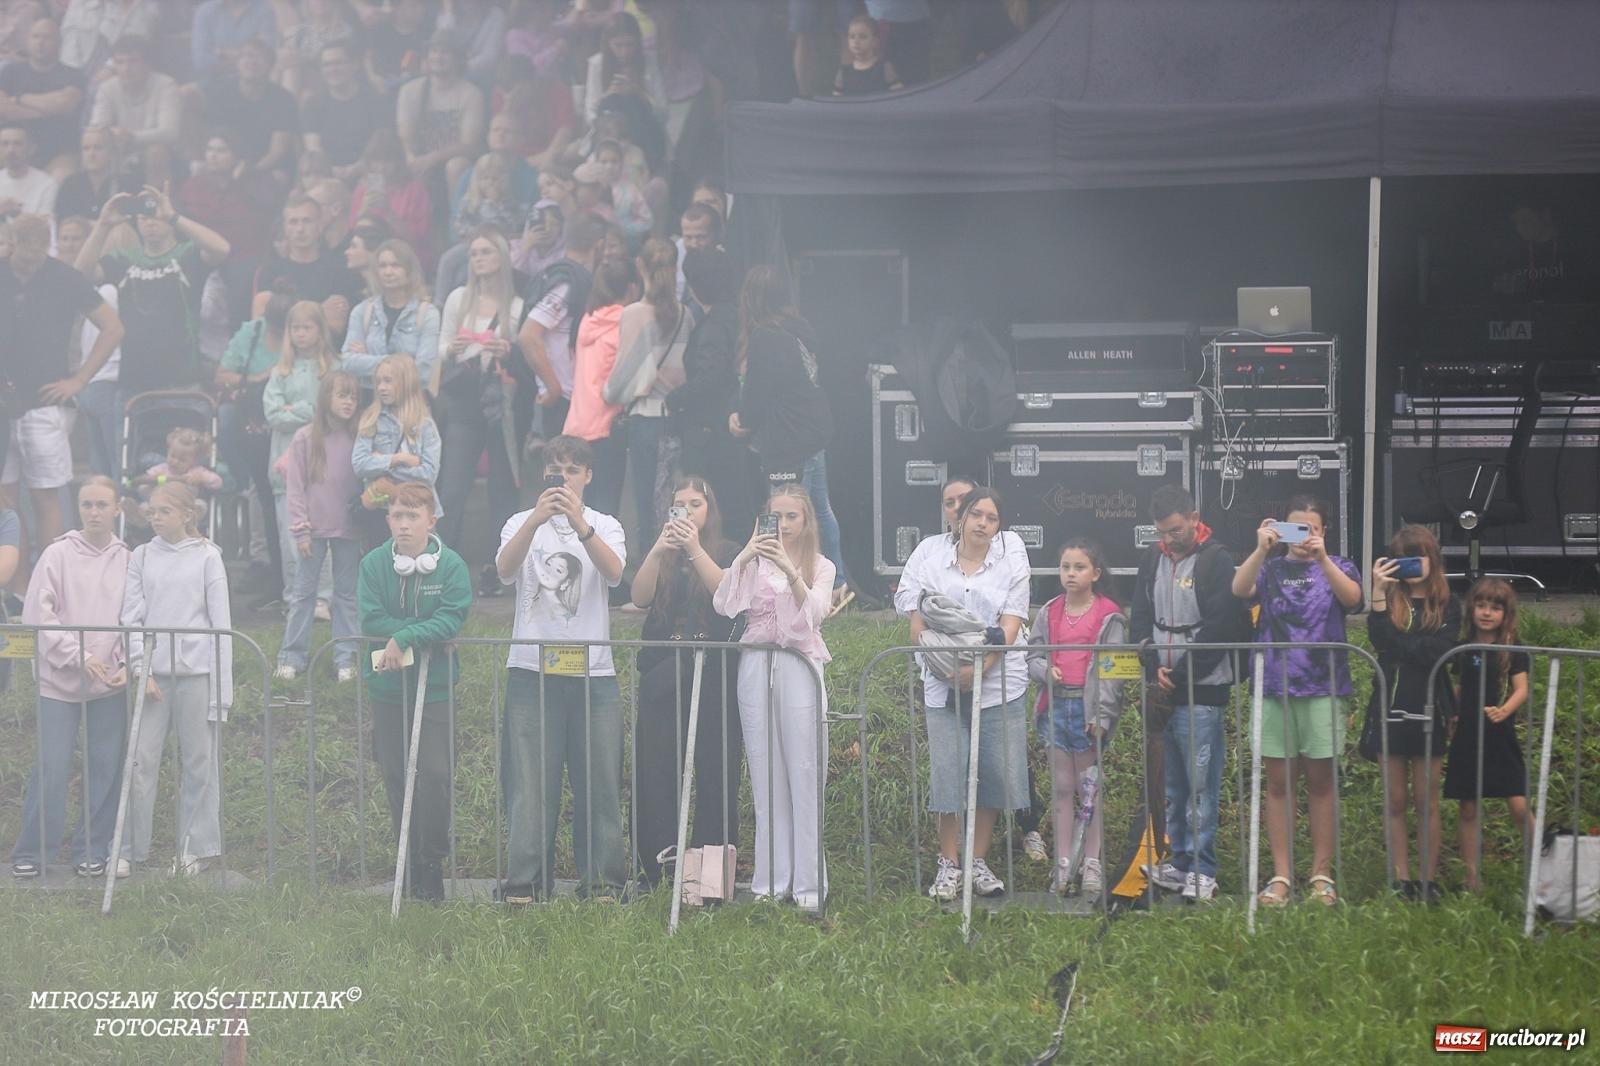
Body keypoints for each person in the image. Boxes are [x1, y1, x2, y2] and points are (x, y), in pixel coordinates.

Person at [495, 434, 627, 903]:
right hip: (531, 670)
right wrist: (537, 518)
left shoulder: (606, 523)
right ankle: (525, 884)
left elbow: (614, 574)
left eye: (573, 469)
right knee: (530, 784)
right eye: (555, 469)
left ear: (588, 476)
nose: (563, 478)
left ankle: (605, 884)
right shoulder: (519, 522)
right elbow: (504, 570)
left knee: (600, 784)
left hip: (595, 673)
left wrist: (578, 524)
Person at [894, 487, 1029, 901]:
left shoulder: (1012, 557)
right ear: (960, 519)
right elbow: (918, 625)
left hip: (999, 685)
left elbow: (1011, 622)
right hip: (942, 685)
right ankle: (949, 864)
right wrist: (951, 672)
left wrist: (980, 669)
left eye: (991, 517)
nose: (982, 523)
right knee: (948, 776)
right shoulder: (933, 562)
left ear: (998, 525)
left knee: (994, 773)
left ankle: (977, 861)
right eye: (975, 515)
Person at [1230, 497, 1363, 907]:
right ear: (1280, 528)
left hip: (1324, 686)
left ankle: (1321, 874)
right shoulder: (1269, 568)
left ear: (1324, 532)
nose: (1304, 537)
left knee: (1322, 783)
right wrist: (1260, 547)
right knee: (1277, 784)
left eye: (1312, 529)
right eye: (1295, 529)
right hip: (1273, 685)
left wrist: (1322, 560)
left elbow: (1354, 600)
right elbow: (1239, 589)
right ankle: (1281, 875)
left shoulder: (1339, 566)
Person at [713, 484, 833, 911]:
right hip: (756, 663)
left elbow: (817, 613)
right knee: (764, 773)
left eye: (791, 517)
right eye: (774, 516)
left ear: (805, 522)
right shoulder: (753, 563)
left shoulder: (821, 565)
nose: (781, 526)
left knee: (803, 768)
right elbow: (724, 603)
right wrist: (747, 554)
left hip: (799, 664)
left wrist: (789, 568)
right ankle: (770, 881)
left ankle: (808, 885)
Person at [358, 482, 472, 903]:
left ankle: (431, 861)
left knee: (436, 776)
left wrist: (404, 634)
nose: (403, 525)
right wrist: (407, 637)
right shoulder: (373, 564)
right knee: (395, 774)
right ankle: (406, 858)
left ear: (431, 520)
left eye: (412, 516)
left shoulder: (452, 566)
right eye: (396, 516)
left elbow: (451, 617)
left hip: (437, 687)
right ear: (387, 519)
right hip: (387, 687)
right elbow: (370, 617)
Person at [628, 475, 742, 889]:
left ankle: (710, 880)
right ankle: (657, 871)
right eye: (680, 504)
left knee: (715, 772)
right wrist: (660, 549)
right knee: (657, 772)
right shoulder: (664, 554)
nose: (688, 511)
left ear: (710, 509)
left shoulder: (727, 550)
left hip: (713, 670)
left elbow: (726, 595)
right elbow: (639, 597)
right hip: (663, 666)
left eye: (696, 503)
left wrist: (694, 549)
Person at [1129, 484, 1239, 903]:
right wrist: (1150, 658)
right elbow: (1140, 614)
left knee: (1200, 783)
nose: (1169, 539)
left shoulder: (1217, 559)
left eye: (1175, 530)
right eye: (1162, 532)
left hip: (1204, 690)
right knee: (1172, 781)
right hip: (1163, 684)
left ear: (1194, 518)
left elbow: (1222, 623)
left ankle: (1204, 867)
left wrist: (1185, 673)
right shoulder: (1152, 559)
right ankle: (1178, 861)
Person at [118, 480, 232, 877]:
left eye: (164, 511)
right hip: (154, 675)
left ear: (187, 514)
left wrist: (221, 692)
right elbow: (130, 616)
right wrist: (140, 668)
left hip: (197, 673)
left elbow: (221, 626)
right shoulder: (142, 556)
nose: (155, 518)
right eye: (151, 512)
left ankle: (194, 849)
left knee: (199, 761)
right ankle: (131, 847)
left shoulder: (207, 557)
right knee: (139, 760)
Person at [11, 479, 116, 882]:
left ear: (116, 510)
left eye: (102, 504)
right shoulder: (56, 554)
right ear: (78, 508)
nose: (94, 512)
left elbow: (134, 616)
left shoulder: (128, 558)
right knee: (51, 765)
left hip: (109, 681)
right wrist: (80, 655)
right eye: (87, 504)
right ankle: (33, 851)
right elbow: (40, 616)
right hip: (59, 679)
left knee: (104, 766)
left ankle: (93, 848)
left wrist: (121, 661)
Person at [0, 214, 122, 556]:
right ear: (12, 243)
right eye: (24, 252)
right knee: (5, 500)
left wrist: (80, 379)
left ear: (47, 244)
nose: (31, 260)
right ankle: (17, 586)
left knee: (45, 494)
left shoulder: (64, 278)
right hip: (2, 402)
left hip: (47, 398)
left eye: (38, 252)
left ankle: (47, 578)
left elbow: (112, 327)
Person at [731, 264, 851, 610]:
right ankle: (837, 583)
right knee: (819, 510)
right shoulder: (800, 329)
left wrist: (742, 420)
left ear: (753, 299)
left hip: (788, 438)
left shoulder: (765, 337)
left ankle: (779, 584)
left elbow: (758, 393)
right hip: (812, 433)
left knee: (780, 513)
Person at [1026, 538, 1128, 898]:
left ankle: (1092, 862)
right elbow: (1032, 655)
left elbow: (1112, 670)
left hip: (1088, 713)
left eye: (1079, 567)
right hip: (1056, 708)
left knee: (1089, 789)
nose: (1071, 573)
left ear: (1096, 574)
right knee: (1062, 787)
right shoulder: (1049, 611)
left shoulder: (1109, 614)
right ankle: (1063, 864)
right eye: (1066, 566)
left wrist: (1102, 714)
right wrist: (1043, 671)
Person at [1367, 523, 1460, 903]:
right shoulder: (1388, 600)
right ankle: (1401, 878)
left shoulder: (1449, 603)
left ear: (1432, 557)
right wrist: (1377, 591)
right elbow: (1378, 639)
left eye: (1418, 555)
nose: (1412, 565)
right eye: (1403, 558)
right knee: (1395, 800)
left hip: (1431, 706)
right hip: (1390, 703)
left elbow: (1439, 649)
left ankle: (1427, 879)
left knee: (1426, 798)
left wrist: (1401, 644)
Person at [76, 183, 231, 396]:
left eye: (155, 215)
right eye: (144, 216)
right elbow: (81, 276)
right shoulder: (123, 259)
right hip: (133, 385)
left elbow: (222, 248)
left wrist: (173, 217)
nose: (150, 221)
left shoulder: (189, 254)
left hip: (184, 383)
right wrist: (102, 225)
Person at [436, 226, 525, 589]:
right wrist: (454, 348)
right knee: (453, 484)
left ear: (501, 257)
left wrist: (509, 350)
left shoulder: (516, 305)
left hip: (500, 401)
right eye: (473, 253)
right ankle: (441, 565)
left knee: (503, 486)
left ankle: (498, 568)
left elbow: (522, 357)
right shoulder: (459, 298)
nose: (478, 259)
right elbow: (440, 348)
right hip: (464, 397)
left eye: (486, 252)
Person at [1445, 577, 1530, 894]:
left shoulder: (1513, 647)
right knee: (1468, 807)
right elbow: (1460, 686)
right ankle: (1472, 878)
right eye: (1481, 605)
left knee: (1519, 805)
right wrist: (1451, 713)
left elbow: (1522, 689)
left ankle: (1541, 867)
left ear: (1505, 613)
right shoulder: (1465, 647)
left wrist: (1504, 710)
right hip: (1467, 734)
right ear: (1472, 609)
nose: (1486, 613)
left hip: (1500, 733)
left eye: (1495, 608)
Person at [277, 370, 361, 683]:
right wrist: (300, 528)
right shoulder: (305, 437)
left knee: (346, 596)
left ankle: (346, 657)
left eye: (353, 396)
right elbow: (296, 487)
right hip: (312, 530)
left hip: (349, 529)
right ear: (325, 397)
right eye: (342, 395)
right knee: (303, 594)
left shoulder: (359, 437)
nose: (349, 402)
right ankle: (292, 656)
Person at [604, 237, 690, 539]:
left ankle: (651, 576)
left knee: (646, 504)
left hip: (646, 419)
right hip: (678, 418)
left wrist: (608, 393)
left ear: (640, 266)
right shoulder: (685, 314)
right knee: (673, 500)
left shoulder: (633, 314)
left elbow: (624, 378)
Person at [674, 246, 752, 536]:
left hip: (710, 434)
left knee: (708, 510)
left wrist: (677, 397)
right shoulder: (739, 316)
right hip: (732, 430)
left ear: (695, 287)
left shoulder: (714, 326)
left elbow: (711, 376)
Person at [264, 299, 339, 598]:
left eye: (307, 327)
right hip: (284, 463)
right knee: (289, 533)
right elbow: (273, 414)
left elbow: (334, 411)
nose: (301, 334)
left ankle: (323, 596)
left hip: (322, 462)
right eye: (295, 328)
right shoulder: (280, 371)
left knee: (324, 531)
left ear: (320, 330)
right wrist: (311, 409)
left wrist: (298, 408)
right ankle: (294, 596)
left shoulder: (333, 367)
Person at [515, 210, 604, 443]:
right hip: (562, 398)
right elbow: (528, 335)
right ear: (599, 246)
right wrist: (552, 386)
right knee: (563, 475)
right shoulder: (567, 284)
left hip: (576, 397)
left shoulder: (570, 277)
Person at [563, 254, 639, 520]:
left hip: (577, 424)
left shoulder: (588, 320)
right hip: (608, 423)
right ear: (632, 287)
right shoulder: (627, 320)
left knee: (581, 505)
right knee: (606, 508)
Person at [351, 354, 439, 547]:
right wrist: (399, 459)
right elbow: (359, 464)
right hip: (382, 512)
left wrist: (382, 465)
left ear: (406, 383)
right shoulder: (371, 419)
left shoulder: (425, 425)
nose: (381, 387)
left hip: (417, 512)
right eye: (378, 382)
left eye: (388, 381)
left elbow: (428, 474)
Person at [248, 192, 363, 337]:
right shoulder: (270, 272)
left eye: (307, 221)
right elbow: (261, 328)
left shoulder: (339, 270)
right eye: (293, 222)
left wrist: (283, 315)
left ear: (320, 225)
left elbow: (335, 326)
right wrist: (319, 310)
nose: (300, 229)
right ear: (285, 228)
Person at [342, 238, 440, 391]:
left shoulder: (428, 314)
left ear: (409, 270)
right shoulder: (362, 311)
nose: (388, 272)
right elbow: (348, 363)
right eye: (383, 266)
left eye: (396, 265)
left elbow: (423, 371)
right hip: (369, 402)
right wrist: (403, 362)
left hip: (410, 403)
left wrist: (368, 358)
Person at [395, 33, 485, 195]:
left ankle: (456, 218)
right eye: (434, 51)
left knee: (455, 165)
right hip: (420, 158)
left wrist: (433, 158)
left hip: (456, 160)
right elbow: (405, 136)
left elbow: (469, 144)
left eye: (445, 52)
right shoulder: (409, 91)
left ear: (457, 58)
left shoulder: (471, 94)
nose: (438, 56)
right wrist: (411, 158)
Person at [86, 36, 179, 187]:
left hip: (161, 155)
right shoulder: (107, 88)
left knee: (155, 151)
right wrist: (114, 133)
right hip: (119, 149)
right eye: (120, 62)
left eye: (133, 61)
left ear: (148, 63)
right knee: (96, 149)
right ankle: (105, 206)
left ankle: (156, 206)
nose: (126, 69)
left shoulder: (166, 85)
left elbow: (170, 132)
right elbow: (96, 129)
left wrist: (131, 137)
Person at [202, 37, 297, 183]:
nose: (252, 61)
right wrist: (231, 167)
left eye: (259, 57)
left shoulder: (284, 99)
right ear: (237, 64)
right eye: (246, 56)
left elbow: (278, 151)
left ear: (270, 65)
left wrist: (251, 171)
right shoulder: (220, 94)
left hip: (266, 166)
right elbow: (216, 137)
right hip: (227, 161)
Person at [178, 127, 279, 262]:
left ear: (237, 156)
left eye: (221, 151)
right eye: (210, 150)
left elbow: (265, 216)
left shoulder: (257, 182)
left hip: (243, 257)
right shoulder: (192, 185)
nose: (213, 156)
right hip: (200, 256)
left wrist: (237, 182)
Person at [0, 18, 84, 176]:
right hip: (12, 147)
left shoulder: (73, 75)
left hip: (60, 151)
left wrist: (19, 99)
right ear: (27, 40)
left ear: (59, 42)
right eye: (36, 36)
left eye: (47, 37)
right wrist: (49, 108)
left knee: (62, 177)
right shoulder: (10, 72)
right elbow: (3, 109)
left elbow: (66, 104)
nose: (40, 42)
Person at [300, 41, 389, 181]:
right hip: (326, 174)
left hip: (367, 171)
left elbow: (381, 143)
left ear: (355, 65)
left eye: (338, 63)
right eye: (326, 64)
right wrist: (330, 170)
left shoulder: (375, 100)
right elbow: (313, 147)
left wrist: (357, 167)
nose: (332, 69)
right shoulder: (313, 103)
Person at [348, 129, 433, 266]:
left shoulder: (415, 190)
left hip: (407, 260)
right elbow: (352, 236)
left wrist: (389, 213)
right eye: (376, 161)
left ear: (398, 162)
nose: (381, 168)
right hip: (370, 261)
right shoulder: (362, 190)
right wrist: (363, 212)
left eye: (387, 162)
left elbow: (417, 239)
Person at [126, 426, 223, 528]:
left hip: (184, 509)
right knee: (145, 503)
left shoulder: (196, 471)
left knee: (201, 504)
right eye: (172, 456)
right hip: (158, 507)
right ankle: (140, 518)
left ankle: (192, 519)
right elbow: (143, 480)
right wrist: (154, 479)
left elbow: (218, 482)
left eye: (182, 460)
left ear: (195, 461)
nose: (175, 461)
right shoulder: (161, 469)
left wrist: (202, 478)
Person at [582, 11, 665, 130]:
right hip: (609, 133)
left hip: (645, 130)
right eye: (618, 45)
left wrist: (640, 94)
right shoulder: (597, 64)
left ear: (638, 42)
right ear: (608, 44)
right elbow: (590, 114)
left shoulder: (649, 61)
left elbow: (664, 114)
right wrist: (609, 95)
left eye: (630, 45)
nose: (624, 52)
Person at [54, 126, 126, 223]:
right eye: (86, 148)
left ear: (111, 152)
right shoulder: (70, 185)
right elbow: (62, 223)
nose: (91, 154)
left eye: (98, 148)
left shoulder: (127, 184)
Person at [190, 0, 277, 80]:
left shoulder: (264, 9)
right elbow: (202, 61)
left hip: (254, 84)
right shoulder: (205, 11)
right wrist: (247, 60)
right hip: (214, 83)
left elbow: (266, 56)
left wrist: (222, 53)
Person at [833, 14, 902, 95]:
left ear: (875, 41)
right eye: (852, 36)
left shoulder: (885, 68)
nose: (856, 41)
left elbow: (898, 97)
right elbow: (837, 100)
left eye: (862, 36)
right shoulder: (843, 73)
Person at [0, 124, 56, 221]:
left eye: (17, 144)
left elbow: (44, 226)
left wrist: (16, 214)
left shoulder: (47, 185)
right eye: (5, 144)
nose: (10, 150)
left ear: (31, 149)